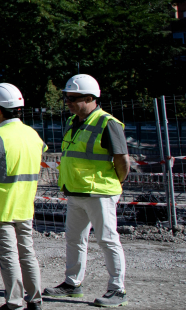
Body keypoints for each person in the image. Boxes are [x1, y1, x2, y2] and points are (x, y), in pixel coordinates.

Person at [43, 74, 129, 308]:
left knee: (108, 240)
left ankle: (117, 289)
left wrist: (114, 184)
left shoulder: (107, 123)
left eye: (73, 98)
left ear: (90, 98)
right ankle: (72, 284)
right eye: (67, 98)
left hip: (99, 192)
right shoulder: (75, 122)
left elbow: (122, 160)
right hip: (76, 191)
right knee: (74, 239)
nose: (68, 102)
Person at [0, 84, 47, 310]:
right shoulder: (33, 135)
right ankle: (35, 300)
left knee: (8, 256)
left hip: (0, 207)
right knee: (27, 253)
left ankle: (14, 303)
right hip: (24, 205)